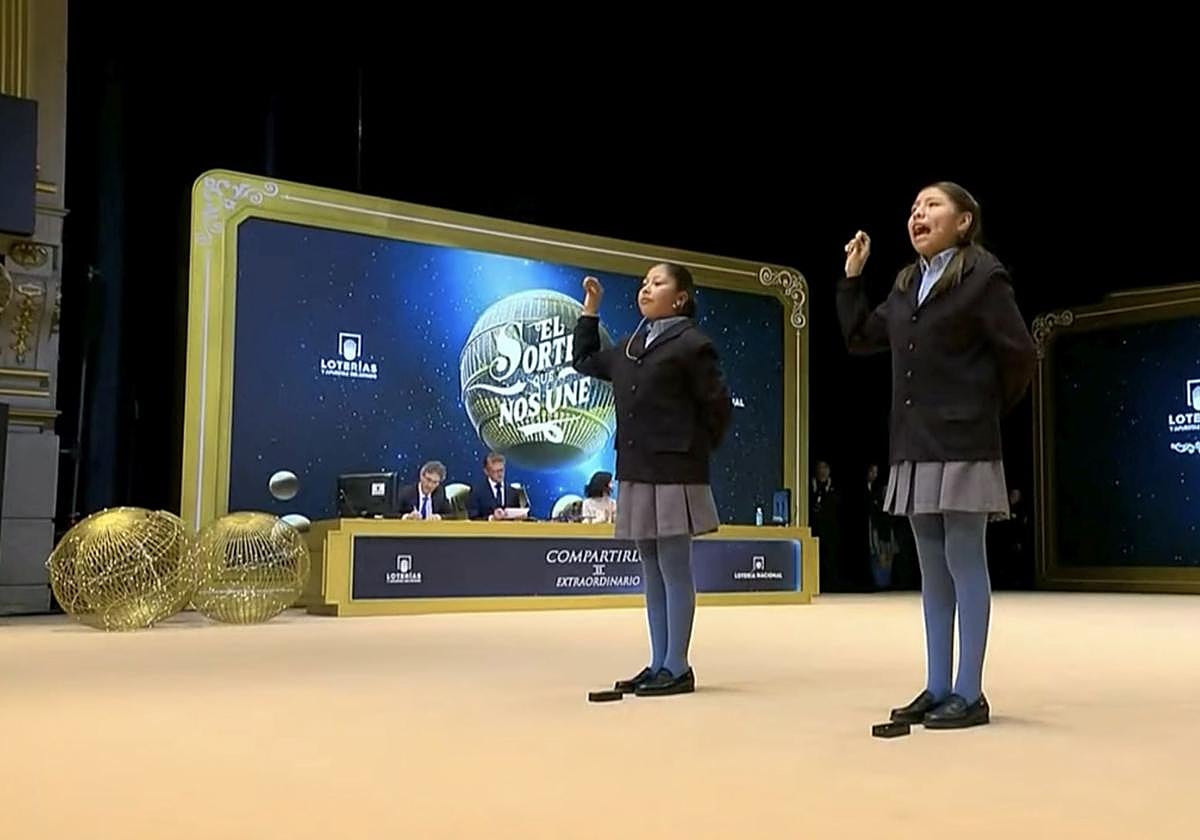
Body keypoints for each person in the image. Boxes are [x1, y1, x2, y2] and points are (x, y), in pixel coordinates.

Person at [836, 182, 1036, 729]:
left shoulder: (984, 276)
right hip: (914, 442)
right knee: (930, 568)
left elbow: (1020, 354)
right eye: (913, 209)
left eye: (931, 206)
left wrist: (982, 408)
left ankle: (970, 692)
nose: (917, 214)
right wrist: (853, 277)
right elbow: (860, 337)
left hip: (965, 441)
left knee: (965, 559)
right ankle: (937, 685)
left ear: (964, 220)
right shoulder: (906, 284)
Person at [573, 263, 732, 697]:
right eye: (644, 283)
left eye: (657, 283)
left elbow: (717, 407)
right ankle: (658, 662)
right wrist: (591, 309)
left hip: (676, 471)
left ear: (680, 298)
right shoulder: (629, 347)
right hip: (636, 470)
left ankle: (678, 666)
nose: (646, 288)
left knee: (674, 566)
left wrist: (690, 450)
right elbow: (584, 360)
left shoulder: (693, 344)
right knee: (650, 566)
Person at [465, 452, 527, 521]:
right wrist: (492, 518)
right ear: (486, 472)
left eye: (501, 470)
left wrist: (521, 517)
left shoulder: (513, 492)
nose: (500, 474)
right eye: (495, 471)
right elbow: (473, 518)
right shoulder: (477, 492)